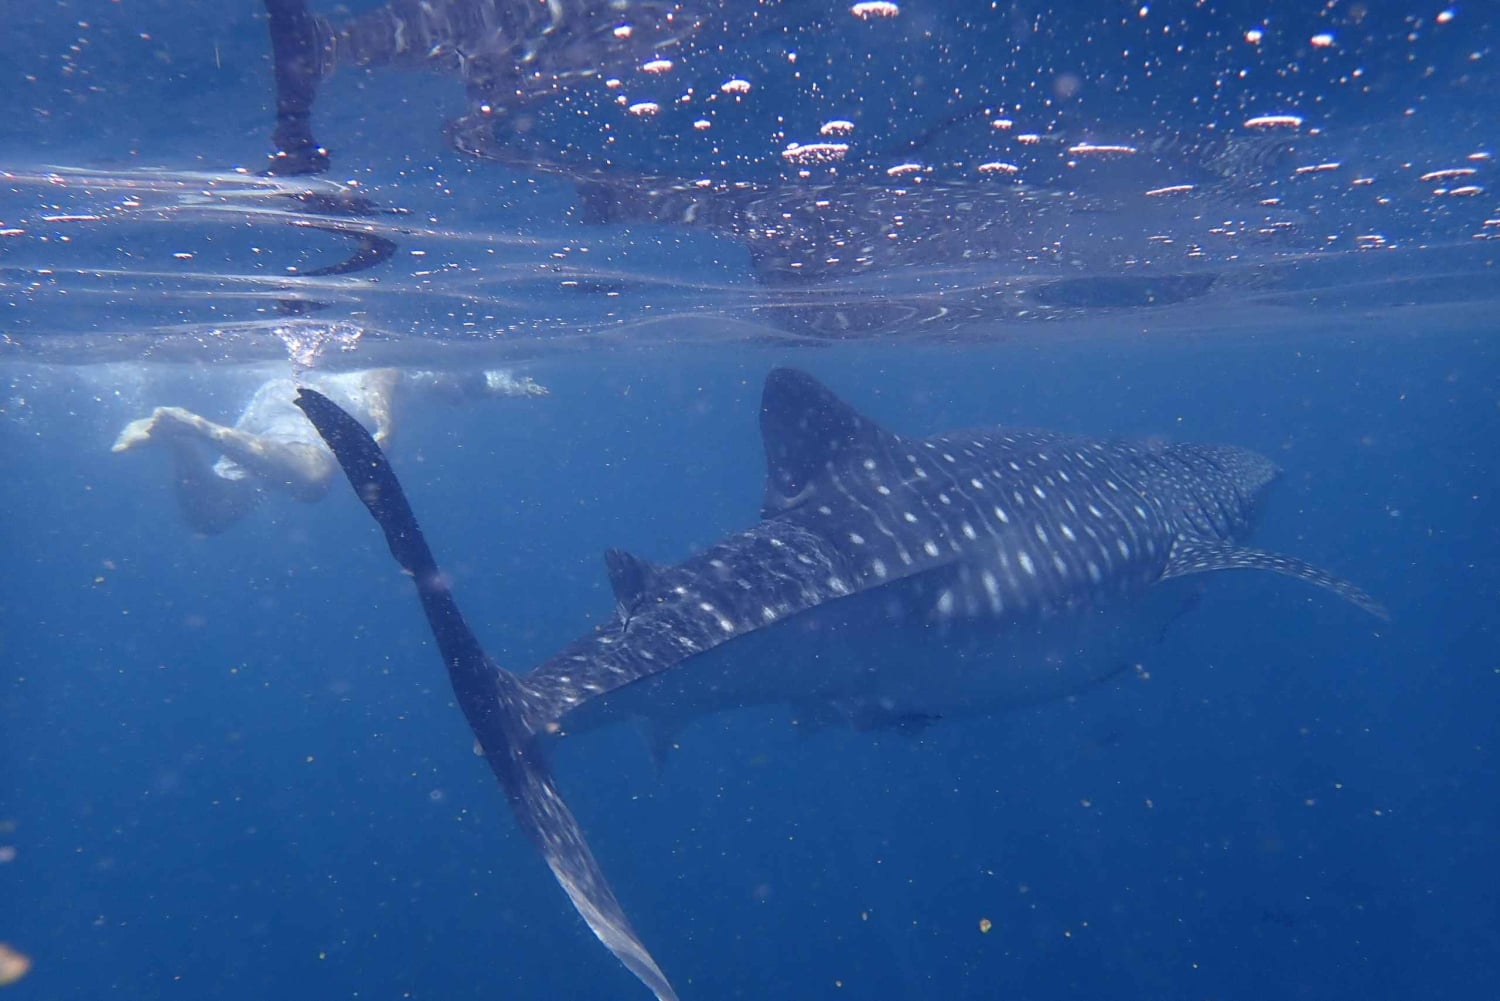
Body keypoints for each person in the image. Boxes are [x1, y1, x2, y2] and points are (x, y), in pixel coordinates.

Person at [112, 367, 547, 534]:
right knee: (315, 481)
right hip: (306, 400)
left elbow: (482, 386)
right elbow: (384, 370)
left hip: (278, 404)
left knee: (212, 516)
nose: (458, 401)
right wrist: (385, 422)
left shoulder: (444, 385)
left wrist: (516, 389)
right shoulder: (423, 364)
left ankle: (181, 442)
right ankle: (196, 428)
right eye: (461, 393)